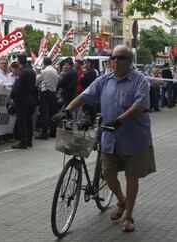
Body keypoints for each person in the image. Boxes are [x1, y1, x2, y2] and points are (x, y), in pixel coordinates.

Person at [54, 45, 156, 232]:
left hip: (135, 139)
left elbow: (140, 105)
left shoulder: (139, 80)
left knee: (132, 178)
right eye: (112, 57)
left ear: (129, 61)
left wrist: (119, 120)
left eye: (120, 57)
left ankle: (129, 216)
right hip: (110, 137)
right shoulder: (104, 79)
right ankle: (121, 200)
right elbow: (84, 96)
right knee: (107, 173)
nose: (115, 61)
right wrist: (67, 110)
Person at [11, 54, 37, 149]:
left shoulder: (21, 73)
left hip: (22, 100)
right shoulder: (32, 72)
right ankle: (29, 140)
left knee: (22, 121)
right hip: (31, 99)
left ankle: (23, 142)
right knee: (29, 120)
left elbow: (17, 87)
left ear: (18, 61)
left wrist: (12, 96)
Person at [35, 57, 59, 140]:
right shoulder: (55, 71)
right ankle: (53, 131)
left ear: (44, 63)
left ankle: (44, 133)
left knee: (44, 113)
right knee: (52, 113)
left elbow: (36, 81)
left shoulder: (44, 71)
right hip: (53, 93)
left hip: (45, 93)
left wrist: (37, 73)